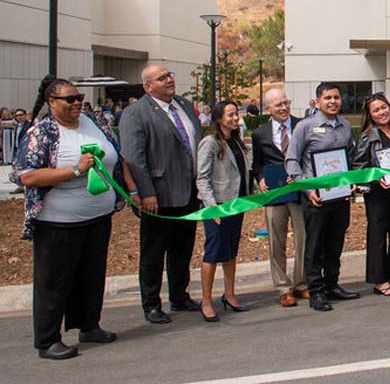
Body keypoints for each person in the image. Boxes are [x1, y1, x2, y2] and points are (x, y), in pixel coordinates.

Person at [14, 76, 127, 360]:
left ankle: (88, 325)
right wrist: (74, 171)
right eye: (69, 99)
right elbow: (27, 175)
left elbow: (116, 156)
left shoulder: (93, 122)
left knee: (91, 275)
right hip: (58, 221)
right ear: (52, 102)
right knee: (54, 282)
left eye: (78, 98)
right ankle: (48, 339)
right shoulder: (43, 132)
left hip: (97, 215)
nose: (77, 103)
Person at [121, 63, 203, 324]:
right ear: (148, 86)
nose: (169, 80)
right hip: (158, 195)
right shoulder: (136, 113)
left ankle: (179, 296)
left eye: (169, 75)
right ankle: (151, 304)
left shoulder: (185, 105)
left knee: (183, 249)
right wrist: (145, 192)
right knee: (153, 252)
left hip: (189, 193)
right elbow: (134, 158)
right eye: (161, 78)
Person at [286, 82, 359, 311]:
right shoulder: (305, 127)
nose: (333, 102)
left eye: (336, 97)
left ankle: (332, 285)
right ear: (318, 101)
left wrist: (351, 183)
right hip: (316, 199)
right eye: (327, 98)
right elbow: (292, 161)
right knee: (315, 246)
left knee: (336, 243)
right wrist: (308, 190)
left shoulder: (345, 126)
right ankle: (316, 291)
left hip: (339, 197)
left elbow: (351, 158)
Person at [250, 87, 308, 307]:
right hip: (275, 192)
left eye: (286, 103)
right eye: (278, 105)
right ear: (268, 109)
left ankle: (302, 284)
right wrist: (261, 179)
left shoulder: (302, 125)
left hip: (299, 190)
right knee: (276, 240)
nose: (284, 108)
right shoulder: (260, 133)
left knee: (303, 237)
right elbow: (257, 164)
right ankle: (283, 287)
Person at [195, 100, 251, 322]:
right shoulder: (209, 142)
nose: (235, 118)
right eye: (230, 115)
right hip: (217, 207)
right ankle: (206, 301)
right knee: (213, 253)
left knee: (231, 251)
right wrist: (212, 206)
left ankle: (229, 294)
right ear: (218, 119)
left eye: (236, 114)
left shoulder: (235, 141)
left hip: (236, 204)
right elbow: (202, 178)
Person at [352, 93, 390, 297]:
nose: (381, 112)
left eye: (383, 107)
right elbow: (358, 167)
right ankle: (379, 280)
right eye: (376, 110)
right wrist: (376, 179)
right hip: (378, 194)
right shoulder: (367, 137)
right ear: (370, 115)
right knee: (378, 236)